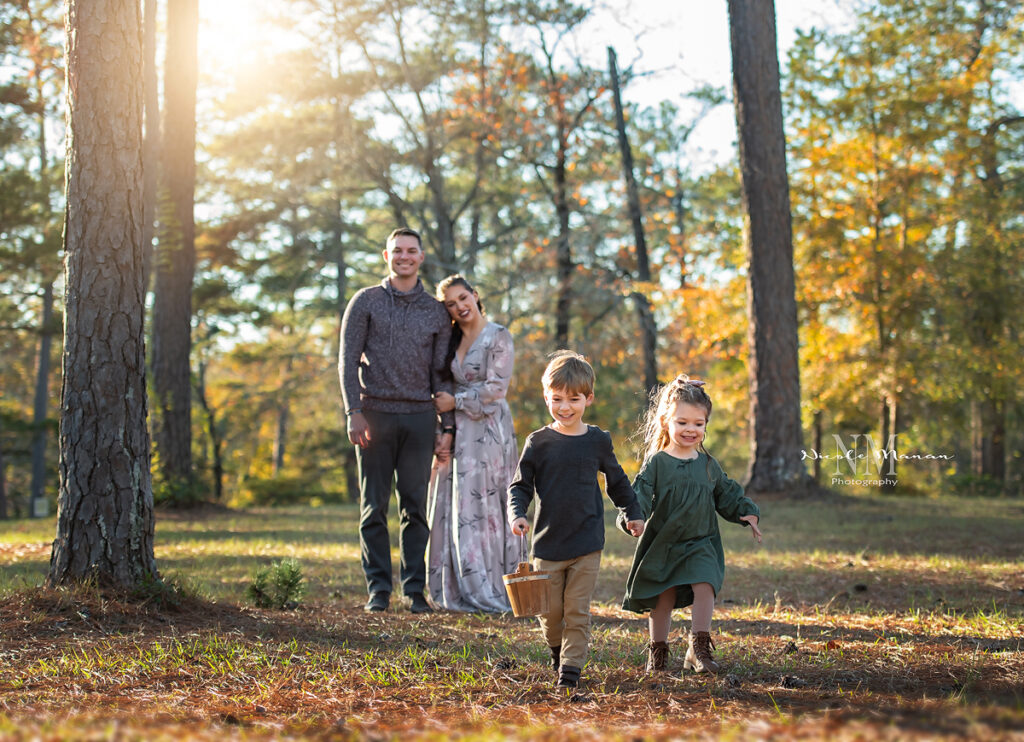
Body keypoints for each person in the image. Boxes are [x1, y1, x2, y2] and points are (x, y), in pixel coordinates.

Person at [508, 350, 645, 689]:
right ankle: (557, 652)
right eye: (557, 399)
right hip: (547, 545)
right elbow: (520, 486)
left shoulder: (597, 441)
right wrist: (517, 513)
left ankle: (570, 671)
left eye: (574, 399)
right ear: (546, 397)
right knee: (551, 615)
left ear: (589, 398)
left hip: (587, 543)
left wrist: (632, 512)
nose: (565, 407)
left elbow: (617, 482)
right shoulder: (538, 442)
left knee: (577, 612)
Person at [339, 227, 454, 614]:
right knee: (373, 506)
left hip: (420, 417)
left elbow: (441, 373)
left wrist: (446, 426)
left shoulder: (436, 311)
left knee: (415, 506)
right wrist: (353, 411)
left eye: (411, 250)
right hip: (374, 414)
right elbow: (347, 361)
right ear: (386, 256)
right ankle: (378, 590)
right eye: (397, 250)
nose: (404, 256)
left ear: (421, 257)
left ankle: (414, 590)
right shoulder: (365, 301)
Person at [621, 375, 762, 675]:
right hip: (665, 541)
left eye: (698, 424)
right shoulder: (658, 462)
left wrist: (745, 512)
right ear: (666, 422)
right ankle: (657, 652)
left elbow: (726, 492)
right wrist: (634, 517)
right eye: (682, 422)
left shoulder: (708, 464)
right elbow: (641, 493)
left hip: (701, 541)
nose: (690, 430)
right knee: (664, 596)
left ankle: (698, 648)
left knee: (705, 583)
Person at [426, 275, 519, 612]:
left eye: (463, 298)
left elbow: (496, 390)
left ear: (475, 296)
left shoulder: (499, 336)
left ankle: (493, 584)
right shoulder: (450, 340)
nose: (459, 307)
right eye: (451, 304)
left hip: (490, 431)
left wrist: (457, 401)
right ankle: (458, 584)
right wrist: (445, 423)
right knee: (456, 503)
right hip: (457, 432)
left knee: (487, 502)